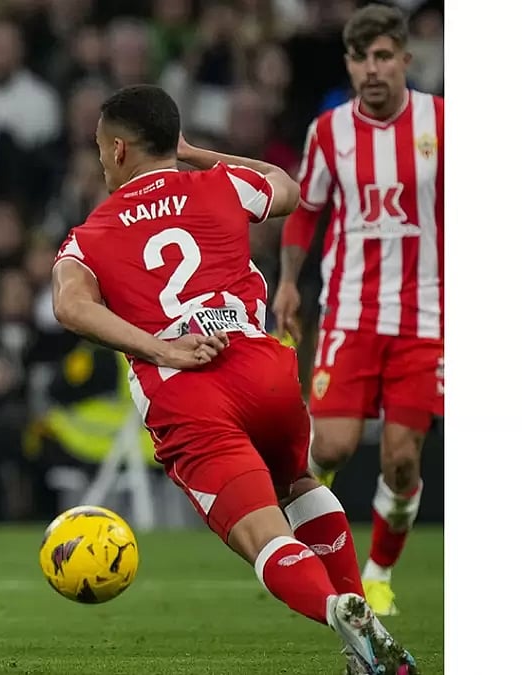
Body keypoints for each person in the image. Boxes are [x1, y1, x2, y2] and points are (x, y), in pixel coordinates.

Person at [51, 84, 416, 674]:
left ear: (118, 151)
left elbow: (71, 307)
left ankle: (334, 607)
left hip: (189, 391)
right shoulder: (221, 183)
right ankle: (362, 621)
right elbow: (288, 189)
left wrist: (160, 347)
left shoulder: (89, 235)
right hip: (262, 366)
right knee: (295, 482)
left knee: (262, 536)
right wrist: (194, 153)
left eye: (100, 149)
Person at [272, 4, 443, 618]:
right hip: (349, 314)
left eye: (381, 57)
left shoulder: (442, 124)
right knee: (333, 446)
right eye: (358, 58)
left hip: (425, 318)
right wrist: (289, 282)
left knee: (401, 459)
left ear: (404, 60)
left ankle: (377, 573)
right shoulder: (329, 131)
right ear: (348, 63)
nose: (370, 70)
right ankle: (307, 540)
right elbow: (307, 210)